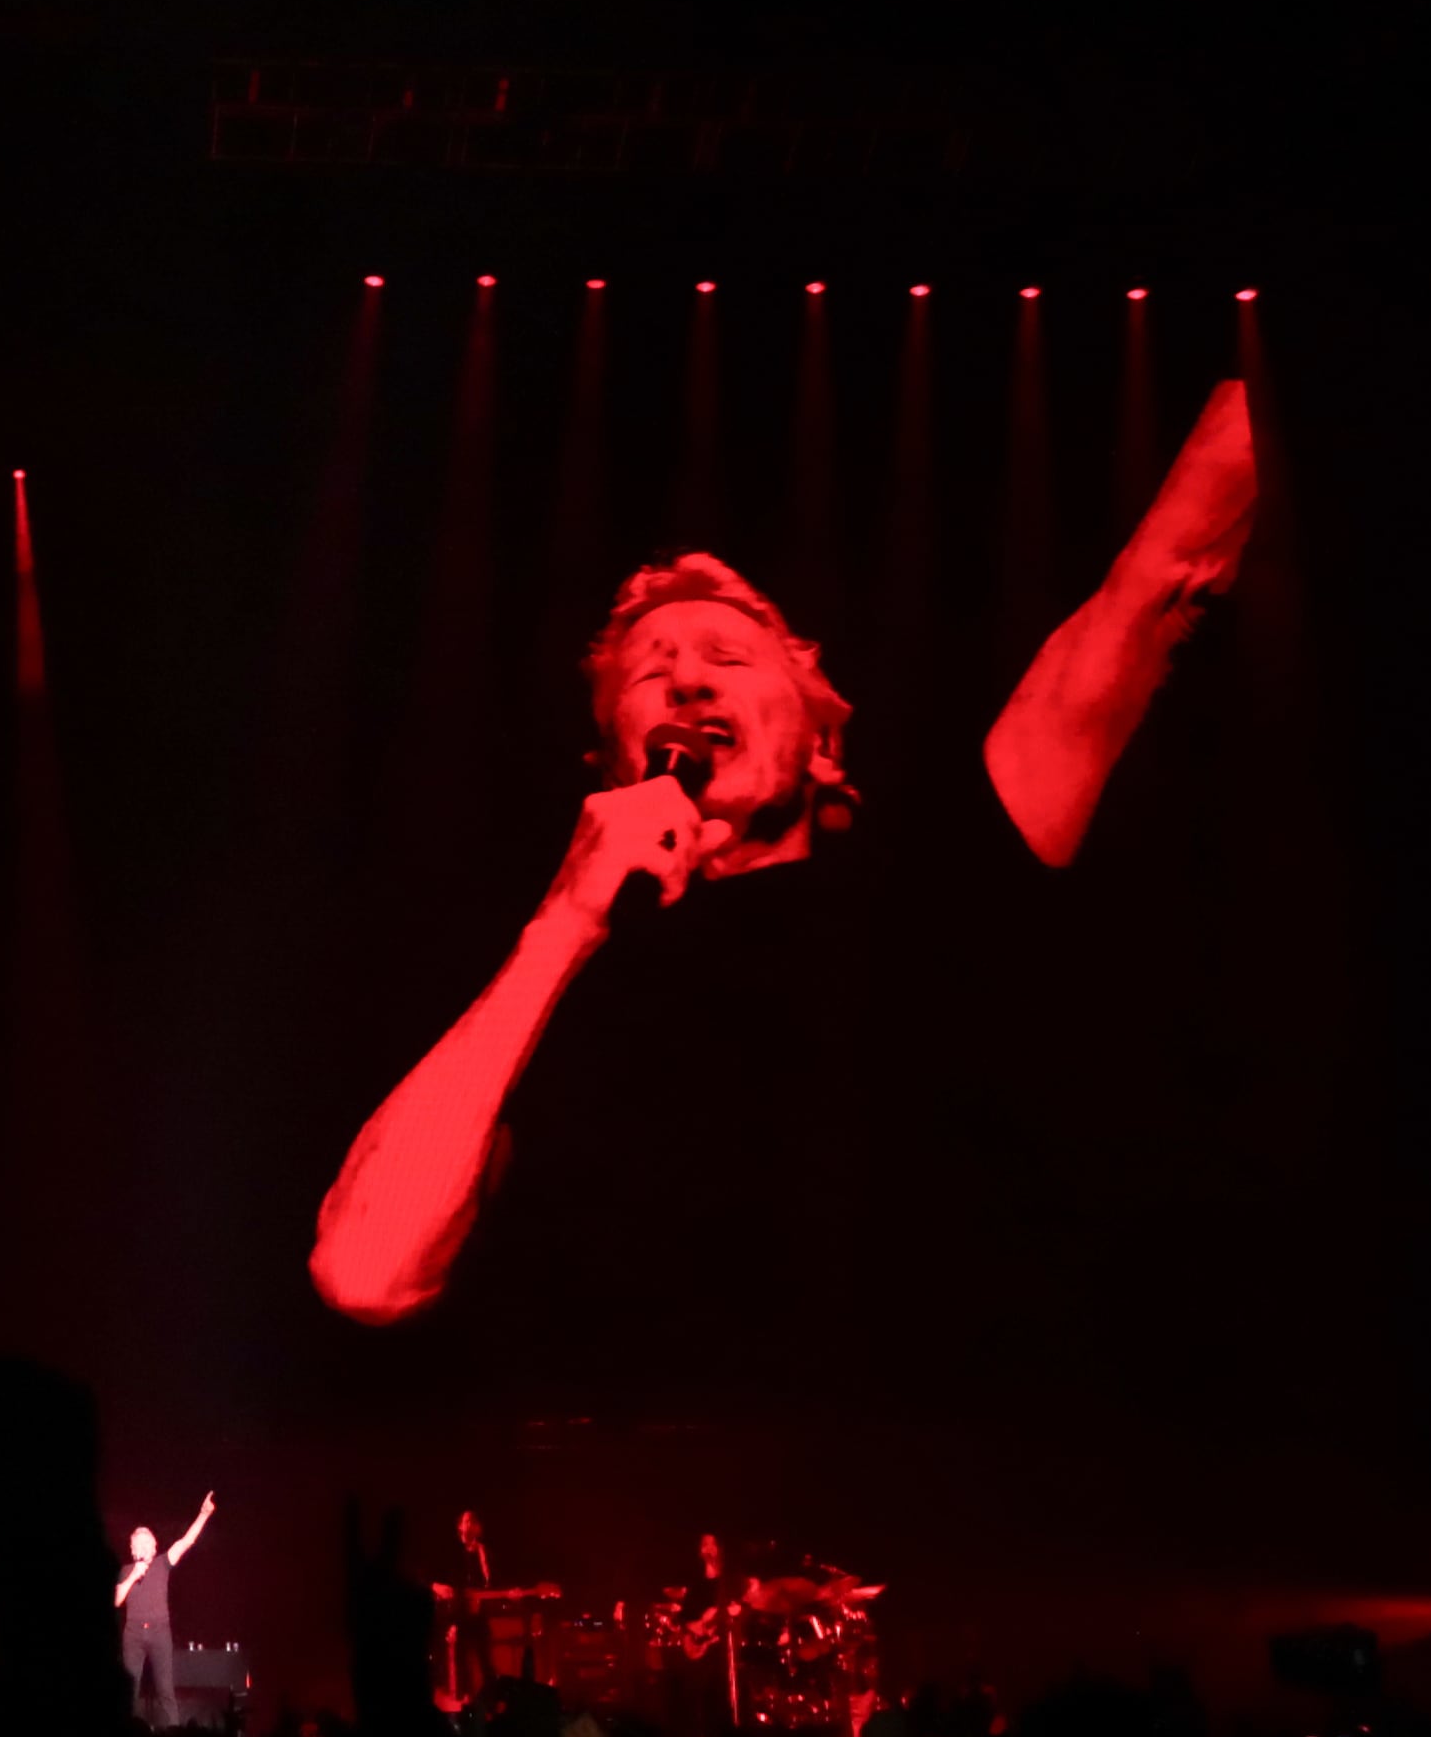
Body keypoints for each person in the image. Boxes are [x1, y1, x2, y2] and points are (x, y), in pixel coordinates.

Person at [305, 384, 1254, 1324]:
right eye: (650, 670)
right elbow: (367, 1271)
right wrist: (562, 923)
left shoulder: (948, 871)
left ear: (822, 740)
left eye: (725, 657)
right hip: (621, 1460)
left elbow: (1159, 582)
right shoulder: (537, 981)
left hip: (940, 1442)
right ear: (604, 761)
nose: (684, 679)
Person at [112, 1489, 217, 1729]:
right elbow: (116, 1601)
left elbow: (186, 1541)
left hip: (160, 1632)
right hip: (133, 1635)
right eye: (137, 1543)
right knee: (130, 1691)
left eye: (146, 1542)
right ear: (133, 1548)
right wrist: (132, 1577)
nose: (142, 1545)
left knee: (165, 1691)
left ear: (152, 1546)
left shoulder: (163, 1563)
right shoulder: (126, 1570)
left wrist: (203, 1514)